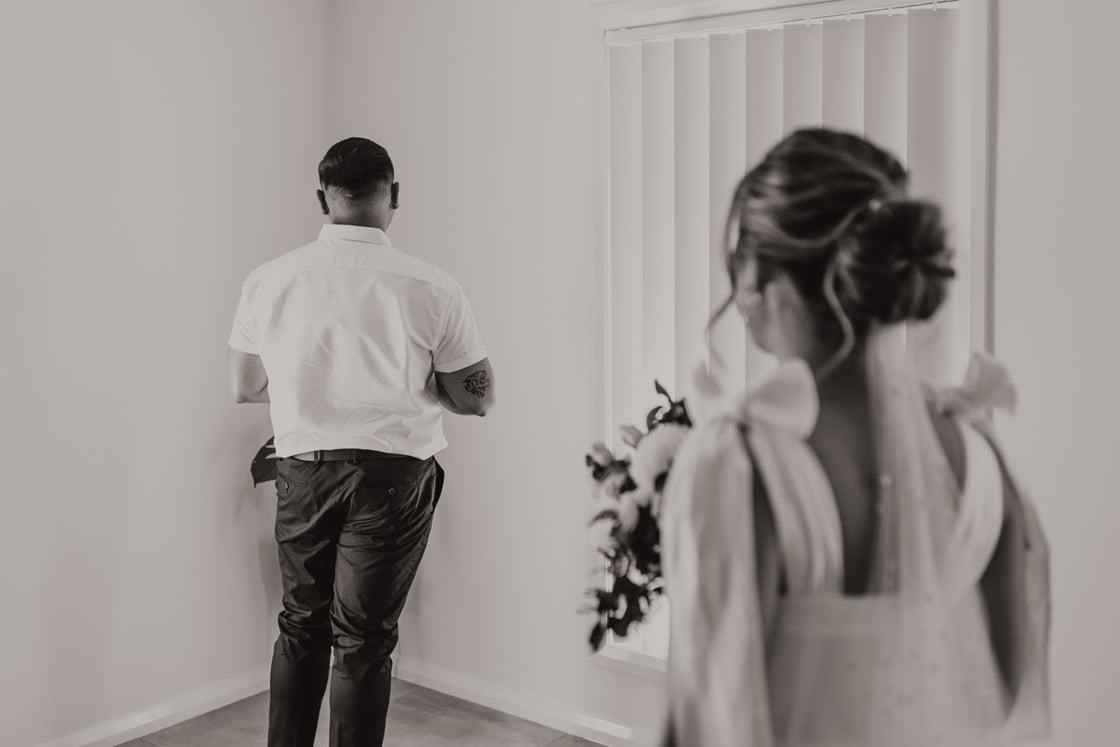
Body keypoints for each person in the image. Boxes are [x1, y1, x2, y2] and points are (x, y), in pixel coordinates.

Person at [660, 129, 1050, 746]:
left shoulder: (740, 464)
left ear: (760, 271)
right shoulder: (978, 455)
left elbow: (706, 728)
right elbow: (1000, 695)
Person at [227, 137, 495, 747]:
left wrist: (318, 384)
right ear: (394, 195)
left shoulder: (270, 279)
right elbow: (476, 397)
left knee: (301, 627)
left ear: (322, 198)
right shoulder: (432, 286)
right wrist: (416, 382)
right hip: (392, 480)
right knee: (364, 641)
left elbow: (245, 387)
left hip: (303, 472)